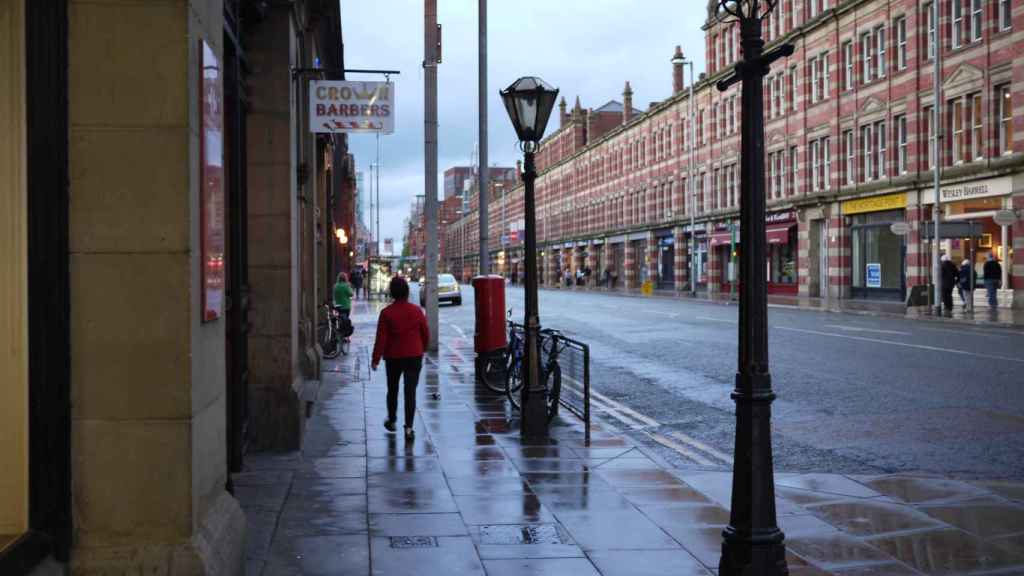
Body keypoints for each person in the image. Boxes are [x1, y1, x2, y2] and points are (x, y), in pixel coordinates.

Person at [372, 276, 430, 439]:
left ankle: (392, 419)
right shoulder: (417, 311)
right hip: (414, 355)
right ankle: (409, 428)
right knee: (410, 391)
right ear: (406, 292)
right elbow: (425, 333)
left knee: (393, 389)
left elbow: (381, 338)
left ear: (392, 293)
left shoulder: (386, 313)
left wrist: (376, 359)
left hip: (393, 356)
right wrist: (422, 349)